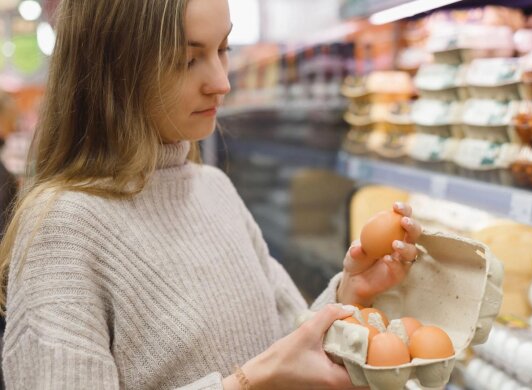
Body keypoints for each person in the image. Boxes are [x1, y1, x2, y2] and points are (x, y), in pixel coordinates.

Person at [0, 1, 423, 389]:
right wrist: (247, 381)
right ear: (116, 65)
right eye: (187, 59)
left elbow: (291, 341)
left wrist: (350, 293)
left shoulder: (213, 188)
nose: (221, 83)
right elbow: (269, 369)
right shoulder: (63, 230)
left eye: (223, 49)